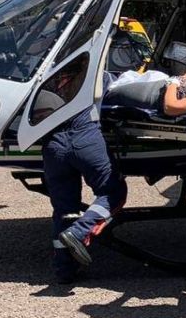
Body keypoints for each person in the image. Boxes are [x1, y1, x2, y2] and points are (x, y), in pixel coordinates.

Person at [41, 72, 128, 284]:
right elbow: (118, 91)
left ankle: (64, 270)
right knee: (113, 191)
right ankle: (79, 232)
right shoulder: (97, 73)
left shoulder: (44, 77)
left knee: (64, 208)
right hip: (85, 137)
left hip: (53, 145)